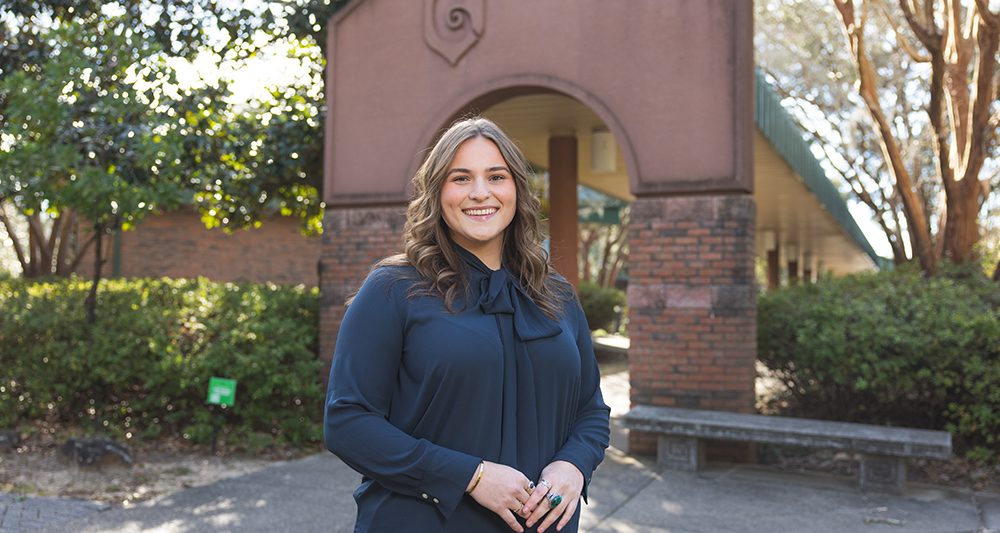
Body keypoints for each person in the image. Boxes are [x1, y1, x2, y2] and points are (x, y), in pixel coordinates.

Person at [324, 117, 610, 533]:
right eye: (461, 178)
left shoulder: (558, 294)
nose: (481, 192)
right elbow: (347, 422)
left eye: (497, 176)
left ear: (517, 190)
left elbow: (591, 409)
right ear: (438, 193)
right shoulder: (393, 289)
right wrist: (471, 476)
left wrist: (574, 465)